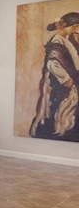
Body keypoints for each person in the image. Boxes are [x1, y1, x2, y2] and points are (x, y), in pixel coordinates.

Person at [30, 12, 79, 142]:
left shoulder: (65, 39)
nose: (76, 30)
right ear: (74, 26)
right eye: (76, 28)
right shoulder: (57, 41)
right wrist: (66, 80)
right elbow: (52, 63)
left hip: (70, 83)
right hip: (62, 86)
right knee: (58, 113)